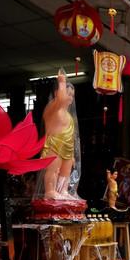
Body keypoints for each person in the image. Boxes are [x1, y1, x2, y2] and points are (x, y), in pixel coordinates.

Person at [39, 69, 81, 199]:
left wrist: (73, 155)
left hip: (67, 148)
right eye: (67, 93)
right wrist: (62, 82)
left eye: (72, 95)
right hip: (54, 145)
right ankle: (50, 190)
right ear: (56, 92)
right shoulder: (52, 109)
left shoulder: (68, 115)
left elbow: (72, 135)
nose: (69, 97)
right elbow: (60, 99)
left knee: (65, 172)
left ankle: (63, 190)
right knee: (53, 169)